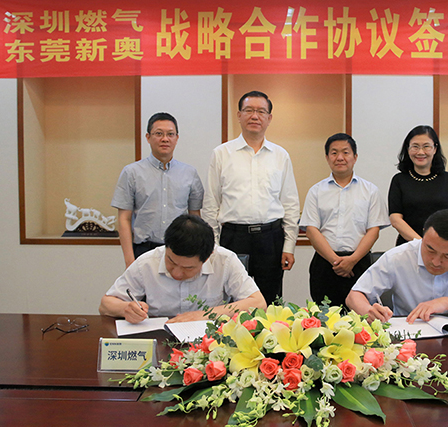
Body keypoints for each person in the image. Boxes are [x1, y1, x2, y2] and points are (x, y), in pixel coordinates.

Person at [202, 91, 299, 305]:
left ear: (269, 118)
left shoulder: (280, 155)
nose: (255, 116)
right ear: (239, 115)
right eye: (249, 110)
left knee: (271, 304)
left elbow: (290, 204)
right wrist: (213, 247)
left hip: (270, 238)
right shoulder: (221, 153)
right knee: (231, 303)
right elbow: (211, 204)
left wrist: (289, 246)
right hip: (233, 238)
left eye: (261, 111)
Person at [99, 214, 266, 323]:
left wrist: (204, 315)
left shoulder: (225, 260)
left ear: (207, 257)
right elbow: (105, 305)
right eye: (171, 262)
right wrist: (126, 309)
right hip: (160, 340)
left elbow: (258, 303)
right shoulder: (147, 262)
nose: (177, 273)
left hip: (209, 344)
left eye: (188, 268)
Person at [346, 209, 448, 323]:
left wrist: (444, 303)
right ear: (423, 236)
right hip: (409, 336)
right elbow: (354, 296)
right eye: (430, 249)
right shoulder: (399, 256)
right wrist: (368, 312)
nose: (435, 261)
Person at [299, 133, 389, 307]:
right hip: (325, 264)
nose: (340, 157)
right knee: (325, 316)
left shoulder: (370, 191)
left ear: (355, 157)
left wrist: (352, 260)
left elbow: (373, 231)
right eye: (334, 153)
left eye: (345, 152)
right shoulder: (316, 191)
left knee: (361, 316)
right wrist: (335, 261)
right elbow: (311, 230)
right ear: (327, 157)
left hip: (359, 263)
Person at [111, 112, 204, 268]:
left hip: (181, 249)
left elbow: (195, 217)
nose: (165, 139)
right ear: (148, 137)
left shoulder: (190, 173)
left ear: (177, 138)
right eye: (159, 134)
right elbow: (124, 219)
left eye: (170, 134)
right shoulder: (132, 172)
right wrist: (129, 261)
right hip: (144, 250)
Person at [388, 125, 448, 246]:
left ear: (435, 149)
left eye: (426, 146)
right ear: (408, 149)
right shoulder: (399, 180)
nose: (420, 152)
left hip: (443, 246)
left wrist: (438, 245)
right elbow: (395, 219)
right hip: (409, 246)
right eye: (415, 146)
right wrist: (422, 244)